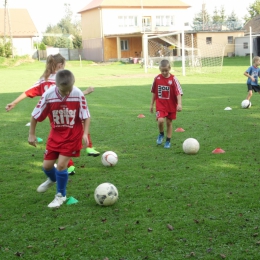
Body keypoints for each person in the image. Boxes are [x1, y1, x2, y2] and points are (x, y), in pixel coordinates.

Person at [5, 54, 99, 173]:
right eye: (64, 65)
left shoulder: (44, 80)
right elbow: (70, 94)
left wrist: (14, 102)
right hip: (65, 113)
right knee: (76, 125)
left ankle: (69, 164)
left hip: (54, 116)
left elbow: (29, 92)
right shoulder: (61, 80)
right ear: (60, 65)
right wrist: (86, 91)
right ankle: (76, 157)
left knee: (67, 132)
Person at [28, 69, 90, 208]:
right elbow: (35, 115)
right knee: (47, 166)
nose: (67, 93)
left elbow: (86, 115)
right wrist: (31, 134)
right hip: (55, 134)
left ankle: (61, 195)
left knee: (62, 165)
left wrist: (85, 134)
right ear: (56, 85)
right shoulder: (48, 95)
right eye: (64, 91)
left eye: (70, 89)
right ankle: (52, 179)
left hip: (73, 135)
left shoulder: (78, 94)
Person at [150, 59, 183, 149]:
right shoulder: (157, 79)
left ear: (169, 68)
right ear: (159, 69)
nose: (164, 72)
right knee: (160, 120)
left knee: (169, 122)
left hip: (171, 105)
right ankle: (161, 134)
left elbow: (178, 93)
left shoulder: (173, 79)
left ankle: (168, 141)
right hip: (160, 105)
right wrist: (151, 104)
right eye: (162, 71)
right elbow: (154, 92)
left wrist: (179, 104)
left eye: (166, 70)